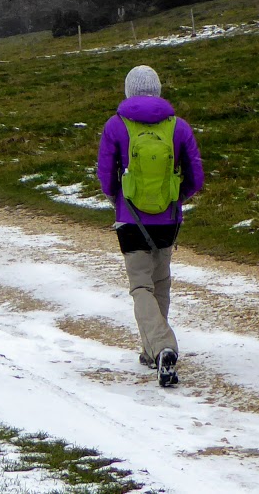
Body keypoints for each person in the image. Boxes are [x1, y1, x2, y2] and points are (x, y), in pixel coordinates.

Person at [96, 65, 204, 389]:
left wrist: (117, 199)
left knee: (140, 287)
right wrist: (178, 198)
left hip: (130, 217)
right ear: (157, 90)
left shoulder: (116, 125)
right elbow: (196, 176)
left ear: (128, 91)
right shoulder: (178, 126)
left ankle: (161, 346)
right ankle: (152, 351)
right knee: (161, 283)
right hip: (168, 218)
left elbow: (105, 176)